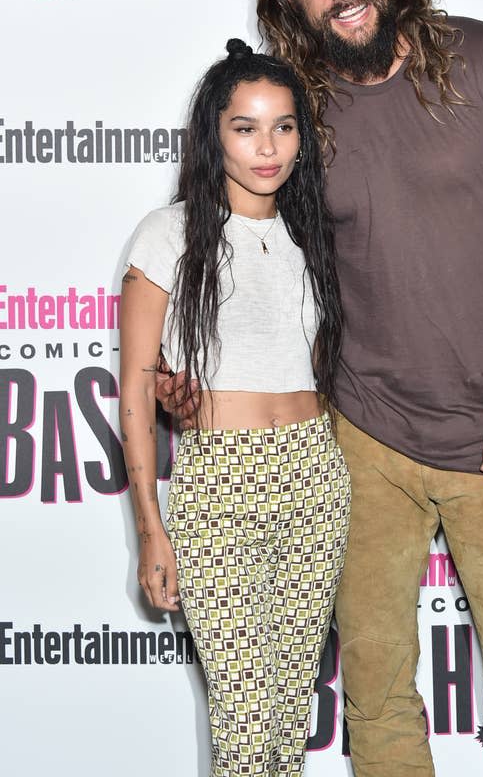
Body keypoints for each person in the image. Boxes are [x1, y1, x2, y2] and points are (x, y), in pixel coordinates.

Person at [161, 0, 483, 776]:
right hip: (358, 437)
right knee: (379, 703)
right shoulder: (298, 113)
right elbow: (244, 244)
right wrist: (186, 366)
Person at [119, 39, 350, 777]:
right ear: (212, 134)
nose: (267, 146)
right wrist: (150, 532)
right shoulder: (169, 232)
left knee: (286, 718)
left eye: (283, 126)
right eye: (245, 127)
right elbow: (135, 387)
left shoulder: (309, 237)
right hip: (221, 483)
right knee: (247, 723)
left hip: (315, 476)